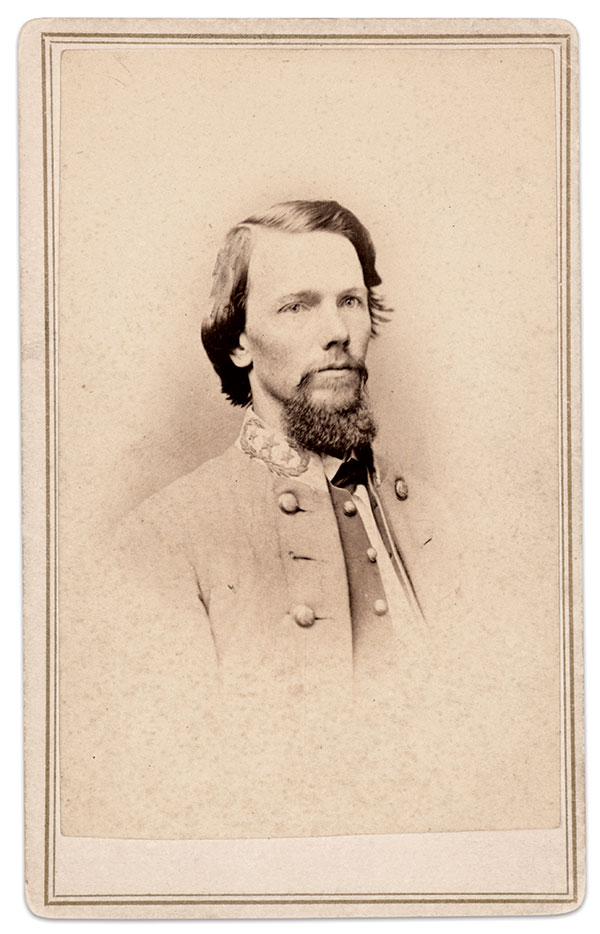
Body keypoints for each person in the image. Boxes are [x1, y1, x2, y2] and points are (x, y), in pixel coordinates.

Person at [62, 201, 542, 841]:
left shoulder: (434, 518)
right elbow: (169, 796)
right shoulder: (160, 542)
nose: (336, 330)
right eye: (297, 306)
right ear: (237, 341)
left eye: (350, 301)